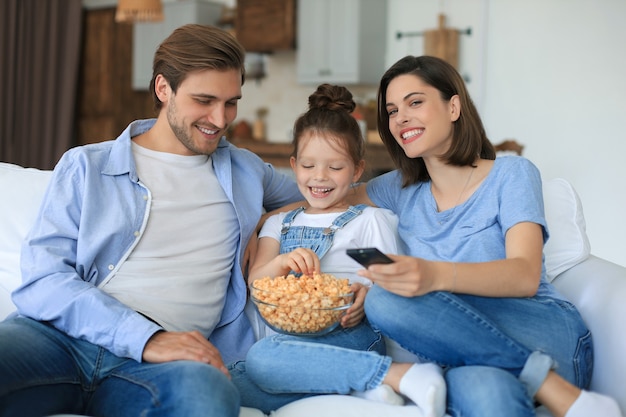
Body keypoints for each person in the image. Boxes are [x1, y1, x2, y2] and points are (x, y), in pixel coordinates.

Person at [0, 24, 302, 417]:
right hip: (61, 340)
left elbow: (330, 189)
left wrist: (267, 224)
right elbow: (44, 281)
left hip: (164, 367)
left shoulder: (246, 171)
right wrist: (146, 337)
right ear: (164, 89)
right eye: (204, 100)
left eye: (231, 102)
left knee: (208, 399)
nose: (220, 118)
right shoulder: (87, 166)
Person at [344, 55, 623, 417]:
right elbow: (325, 190)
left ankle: (547, 379)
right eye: (392, 110)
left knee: (383, 298)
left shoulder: (512, 173)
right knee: (487, 395)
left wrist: (432, 276)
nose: (401, 118)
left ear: (454, 106)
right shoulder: (400, 188)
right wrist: (260, 225)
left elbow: (524, 274)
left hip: (537, 330)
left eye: (415, 102)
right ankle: (546, 386)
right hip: (470, 357)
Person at [228, 84, 447, 417]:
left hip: (351, 335)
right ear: (294, 164)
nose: (320, 177)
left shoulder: (368, 222)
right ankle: (365, 391)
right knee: (229, 386)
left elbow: (390, 284)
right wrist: (283, 262)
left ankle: (395, 374)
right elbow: (257, 282)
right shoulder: (279, 225)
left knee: (261, 361)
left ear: (357, 170)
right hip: (289, 343)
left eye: (335, 167)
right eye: (309, 165)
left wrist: (367, 294)